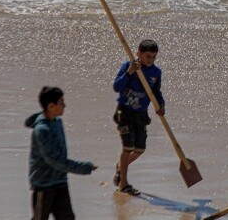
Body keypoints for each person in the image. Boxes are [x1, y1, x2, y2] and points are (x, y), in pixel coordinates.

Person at [25, 86, 97, 220]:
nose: (65, 105)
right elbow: (55, 161)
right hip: (44, 185)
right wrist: (83, 167)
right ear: (51, 106)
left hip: (60, 182)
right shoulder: (42, 130)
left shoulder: (57, 122)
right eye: (62, 102)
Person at [111, 39, 165, 196]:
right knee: (127, 147)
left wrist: (161, 105)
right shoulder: (129, 66)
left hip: (141, 115)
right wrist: (129, 73)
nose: (151, 60)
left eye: (154, 57)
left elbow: (156, 92)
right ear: (138, 54)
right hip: (124, 112)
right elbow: (116, 87)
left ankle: (120, 167)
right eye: (148, 56)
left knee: (140, 149)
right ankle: (124, 184)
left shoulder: (156, 72)